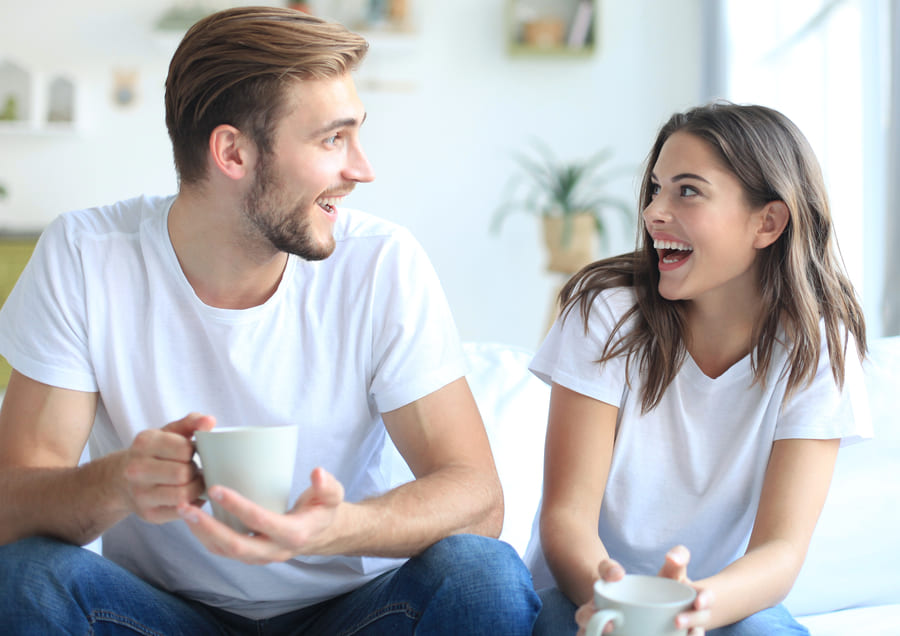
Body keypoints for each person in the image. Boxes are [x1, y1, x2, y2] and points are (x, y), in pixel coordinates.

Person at [0, 7, 540, 634]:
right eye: (332, 139)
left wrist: (339, 528)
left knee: (483, 573)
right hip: (157, 616)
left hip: (355, 613)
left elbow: (477, 495)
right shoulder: (86, 255)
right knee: (26, 574)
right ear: (232, 152)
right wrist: (117, 484)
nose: (363, 169)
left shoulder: (381, 263)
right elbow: (13, 506)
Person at [527, 102, 871, 635]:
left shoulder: (818, 346)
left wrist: (692, 606)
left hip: (720, 605)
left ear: (768, 222)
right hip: (589, 595)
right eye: (655, 189)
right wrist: (623, 604)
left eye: (687, 191)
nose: (652, 212)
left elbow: (780, 549)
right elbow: (567, 516)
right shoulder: (607, 313)